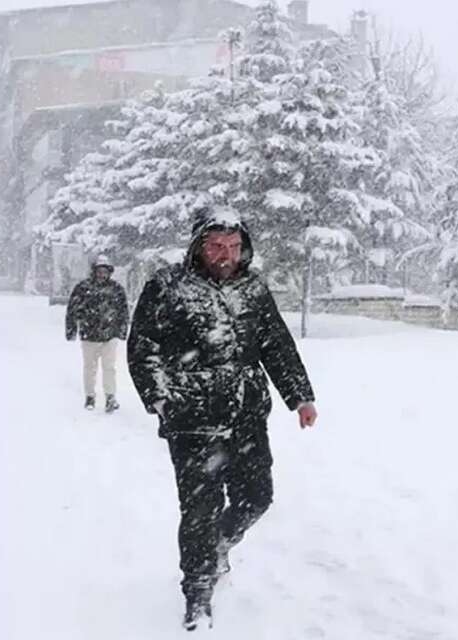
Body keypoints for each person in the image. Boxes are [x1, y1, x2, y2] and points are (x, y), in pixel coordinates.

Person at [127, 208, 317, 631]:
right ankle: (197, 592)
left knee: (257, 496)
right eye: (216, 246)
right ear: (198, 246)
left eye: (233, 247)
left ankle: (218, 546)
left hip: (247, 415)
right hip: (192, 420)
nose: (225, 254)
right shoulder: (168, 286)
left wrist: (300, 396)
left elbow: (277, 345)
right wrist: (161, 400)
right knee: (200, 509)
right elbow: (143, 348)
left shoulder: (253, 288)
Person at [65, 255, 129, 413]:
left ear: (109, 272)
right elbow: (72, 310)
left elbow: (123, 311)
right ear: (94, 271)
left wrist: (122, 330)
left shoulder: (116, 289)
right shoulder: (83, 287)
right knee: (89, 368)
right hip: (89, 335)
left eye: (105, 271)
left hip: (110, 335)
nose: (102, 274)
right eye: (99, 271)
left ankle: (110, 397)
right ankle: (90, 396)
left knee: (109, 368)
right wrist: (71, 330)